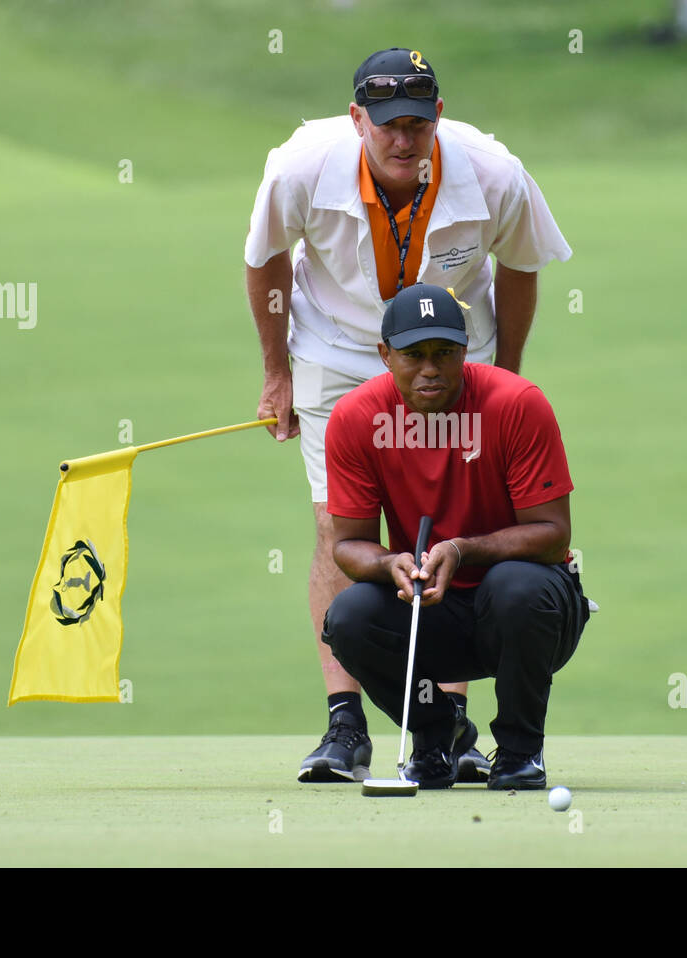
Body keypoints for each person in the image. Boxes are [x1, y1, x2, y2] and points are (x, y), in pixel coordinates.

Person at [244, 47, 572, 783]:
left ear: (438, 120)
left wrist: (506, 377)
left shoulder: (493, 175)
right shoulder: (300, 167)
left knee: (456, 515)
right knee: (337, 523)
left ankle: (448, 724)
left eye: (417, 124)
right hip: (338, 346)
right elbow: (265, 258)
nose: (403, 140)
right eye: (387, 123)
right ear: (356, 118)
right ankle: (345, 725)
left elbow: (522, 265)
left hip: (455, 351)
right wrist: (275, 371)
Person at [320, 284, 589, 789]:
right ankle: (435, 736)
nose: (430, 369)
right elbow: (349, 543)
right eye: (413, 355)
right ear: (385, 355)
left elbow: (553, 536)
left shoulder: (516, 403)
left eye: (444, 353)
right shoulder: (356, 419)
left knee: (515, 586)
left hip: (528, 613)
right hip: (429, 611)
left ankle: (518, 752)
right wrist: (389, 564)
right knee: (350, 617)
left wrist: (462, 550)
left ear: (465, 352)